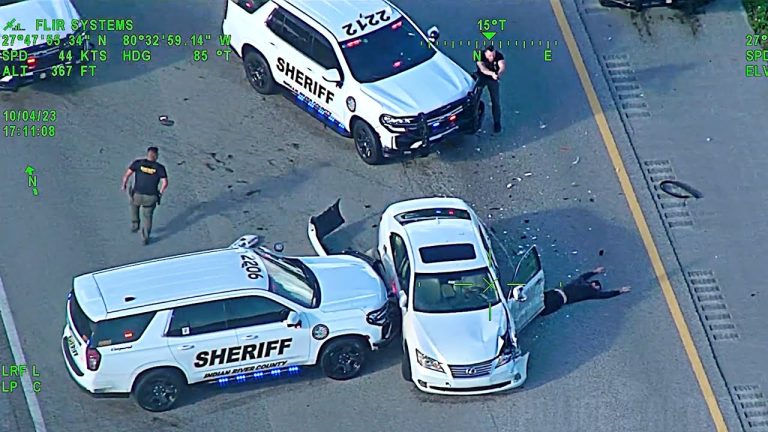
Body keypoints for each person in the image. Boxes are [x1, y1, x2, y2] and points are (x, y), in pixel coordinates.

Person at [120, 147, 168, 245]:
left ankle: (135, 224)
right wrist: (160, 193)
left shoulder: (138, 163)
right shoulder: (159, 168)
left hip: (137, 194)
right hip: (151, 197)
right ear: (156, 156)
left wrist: (124, 184)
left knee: (134, 206)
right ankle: (145, 237)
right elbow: (165, 183)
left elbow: (127, 174)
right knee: (147, 216)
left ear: (148, 154)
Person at [540, 266, 630, 316]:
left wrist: (595, 272)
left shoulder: (584, 285)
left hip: (557, 295)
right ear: (593, 285)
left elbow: (585, 276)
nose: (597, 289)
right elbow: (605, 295)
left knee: (539, 302)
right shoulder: (589, 290)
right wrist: (620, 291)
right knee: (542, 307)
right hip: (559, 299)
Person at [475, 45, 505, 134]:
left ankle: (497, 122)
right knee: (475, 99)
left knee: (495, 101)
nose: (491, 57)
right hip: (481, 77)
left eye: (493, 55)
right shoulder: (478, 55)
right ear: (485, 53)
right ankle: (475, 119)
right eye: (489, 56)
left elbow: (502, 66)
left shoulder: (499, 55)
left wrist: (498, 73)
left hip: (493, 79)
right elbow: (482, 68)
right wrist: (492, 73)